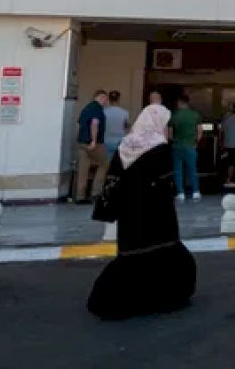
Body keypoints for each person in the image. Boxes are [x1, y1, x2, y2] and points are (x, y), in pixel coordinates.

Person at [87, 103, 197, 320]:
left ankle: (115, 301)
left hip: (130, 213)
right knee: (163, 254)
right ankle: (164, 298)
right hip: (156, 213)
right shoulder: (159, 148)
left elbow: (113, 179)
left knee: (133, 257)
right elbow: (165, 184)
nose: (167, 129)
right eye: (165, 124)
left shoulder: (125, 145)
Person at [74, 91, 108, 203]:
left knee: (83, 168)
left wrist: (78, 139)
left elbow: (78, 125)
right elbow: (94, 123)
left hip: (82, 142)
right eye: (105, 99)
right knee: (105, 163)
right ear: (102, 97)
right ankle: (96, 192)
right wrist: (93, 140)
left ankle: (80, 196)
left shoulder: (86, 108)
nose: (106, 102)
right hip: (93, 143)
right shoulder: (97, 108)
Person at [168, 95, 202, 201]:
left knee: (178, 171)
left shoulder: (174, 115)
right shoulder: (195, 115)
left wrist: (173, 140)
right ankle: (195, 192)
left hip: (177, 146)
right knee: (192, 169)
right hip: (190, 146)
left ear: (179, 102)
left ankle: (180, 193)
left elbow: (169, 133)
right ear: (188, 102)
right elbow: (200, 131)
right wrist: (196, 142)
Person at [102, 91, 130, 163]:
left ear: (109, 99)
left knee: (108, 162)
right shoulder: (125, 112)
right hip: (119, 140)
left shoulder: (103, 112)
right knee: (118, 162)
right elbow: (126, 126)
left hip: (106, 140)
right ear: (119, 99)